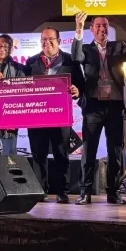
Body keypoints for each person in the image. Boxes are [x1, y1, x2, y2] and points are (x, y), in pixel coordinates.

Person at [72, 13, 126, 205]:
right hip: (93, 105)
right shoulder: (86, 49)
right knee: (89, 151)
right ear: (91, 29)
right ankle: (85, 191)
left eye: (105, 25)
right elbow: (76, 57)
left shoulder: (118, 47)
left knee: (115, 152)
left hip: (115, 104)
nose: (101, 29)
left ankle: (113, 192)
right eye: (97, 26)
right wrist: (78, 29)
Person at [24, 27, 83, 203]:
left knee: (61, 155)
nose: (46, 43)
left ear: (59, 41)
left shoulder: (70, 61)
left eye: (50, 39)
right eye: (43, 39)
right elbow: (23, 87)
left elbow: (81, 85)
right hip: (36, 117)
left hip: (60, 116)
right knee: (38, 156)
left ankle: (62, 192)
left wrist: (77, 90)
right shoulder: (31, 62)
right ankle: (40, 190)